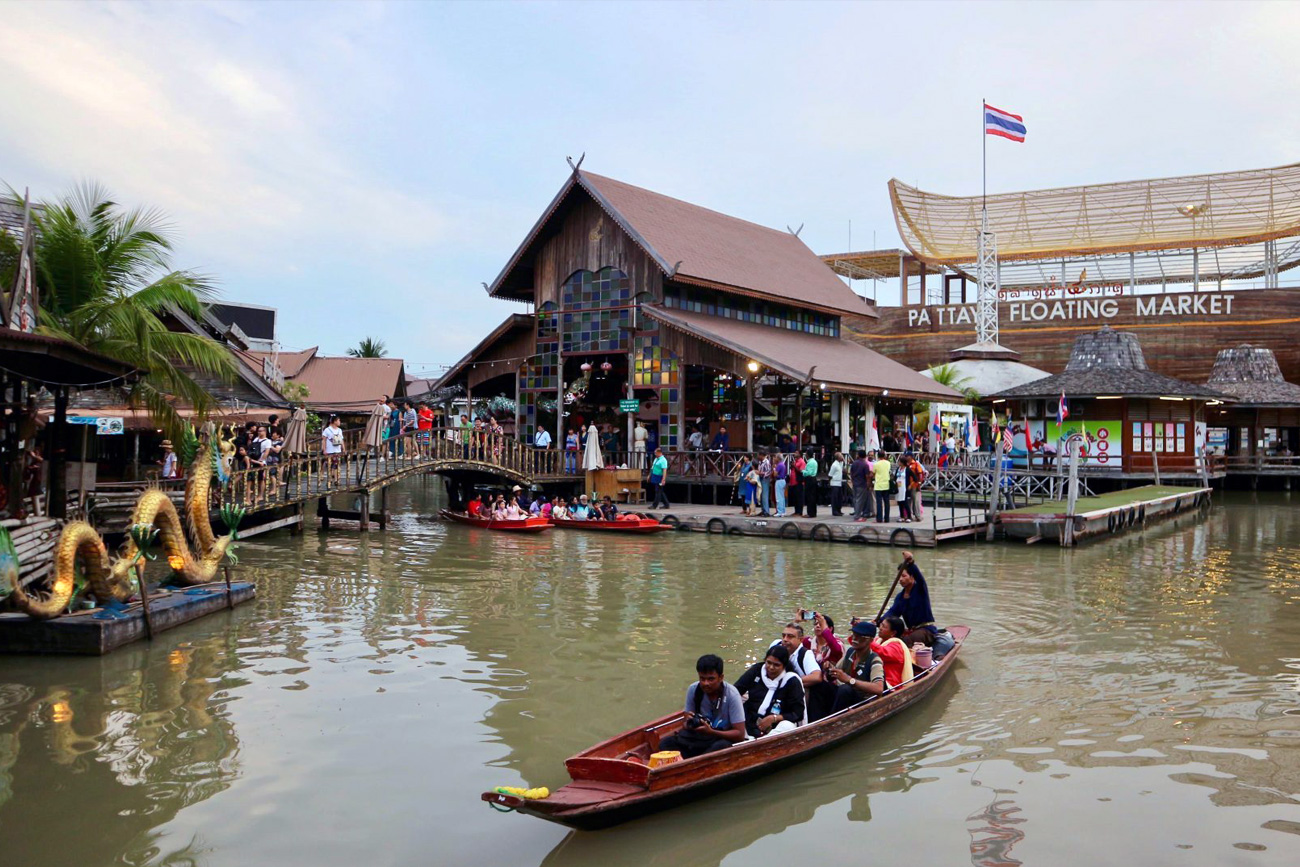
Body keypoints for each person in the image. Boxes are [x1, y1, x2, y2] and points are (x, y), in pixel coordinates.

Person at [657, 655, 746, 759]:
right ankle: (691, 762)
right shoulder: (693, 690)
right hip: (700, 738)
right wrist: (689, 723)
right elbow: (686, 724)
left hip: (719, 737)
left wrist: (712, 732)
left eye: (711, 679)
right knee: (666, 742)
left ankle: (689, 762)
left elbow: (740, 735)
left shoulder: (732, 694)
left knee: (721, 746)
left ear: (721, 677)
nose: (705, 683)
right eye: (702, 679)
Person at [733, 645, 805, 738]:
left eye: (776, 665)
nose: (771, 667)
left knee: (788, 726)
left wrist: (774, 718)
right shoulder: (756, 671)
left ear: (784, 665)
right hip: (749, 720)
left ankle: (760, 742)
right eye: (768, 663)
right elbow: (736, 691)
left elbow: (798, 713)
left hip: (774, 727)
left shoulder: (791, 681)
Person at [825, 621, 886, 714]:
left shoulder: (874, 660)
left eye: (860, 637)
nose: (854, 639)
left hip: (863, 701)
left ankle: (833, 719)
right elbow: (836, 672)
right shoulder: (850, 652)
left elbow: (879, 689)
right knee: (820, 685)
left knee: (845, 689)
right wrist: (829, 670)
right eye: (854, 635)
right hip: (848, 696)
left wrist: (849, 680)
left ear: (870, 640)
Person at [882, 551, 940, 648]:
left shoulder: (920, 589)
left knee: (902, 643)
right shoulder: (900, 597)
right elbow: (892, 613)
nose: (900, 579)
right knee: (890, 638)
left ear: (912, 577)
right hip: (912, 630)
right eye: (899, 576)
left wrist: (911, 562)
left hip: (926, 630)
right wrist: (879, 621)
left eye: (904, 576)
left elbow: (920, 578)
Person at [873, 616, 914, 688]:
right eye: (881, 624)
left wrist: (867, 638)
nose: (880, 628)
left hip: (890, 685)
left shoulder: (896, 646)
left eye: (884, 627)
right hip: (876, 679)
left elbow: (881, 652)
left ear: (893, 633)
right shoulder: (878, 640)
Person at [850, 450, 874, 521]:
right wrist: (868, 484)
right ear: (865, 456)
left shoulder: (854, 463)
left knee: (855, 499)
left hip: (855, 483)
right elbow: (867, 476)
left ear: (858, 455)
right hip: (862, 484)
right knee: (860, 500)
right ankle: (857, 516)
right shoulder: (865, 464)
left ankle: (856, 513)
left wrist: (853, 481)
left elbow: (851, 473)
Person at [322, 415, 345, 483]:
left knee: (336, 465)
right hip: (330, 450)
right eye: (338, 420)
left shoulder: (339, 430)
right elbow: (324, 440)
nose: (339, 422)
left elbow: (341, 440)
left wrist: (343, 448)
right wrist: (324, 449)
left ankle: (336, 479)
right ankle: (330, 479)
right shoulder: (327, 430)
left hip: (337, 450)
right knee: (330, 465)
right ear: (334, 421)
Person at [873, 451, 892, 523]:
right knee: (887, 502)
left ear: (878, 456)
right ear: (884, 456)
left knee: (879, 503)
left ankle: (879, 518)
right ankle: (887, 518)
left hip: (878, 485)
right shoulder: (888, 463)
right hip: (886, 484)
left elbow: (873, 473)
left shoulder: (876, 464)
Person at [802, 450, 819, 518]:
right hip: (814, 479)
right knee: (813, 496)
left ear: (808, 455)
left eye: (806, 454)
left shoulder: (810, 463)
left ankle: (810, 513)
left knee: (809, 497)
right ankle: (813, 512)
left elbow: (808, 472)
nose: (805, 455)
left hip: (810, 479)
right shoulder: (814, 462)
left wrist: (802, 471)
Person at [895, 456, 912, 522]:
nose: (898, 462)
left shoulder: (907, 469)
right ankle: (901, 516)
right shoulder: (898, 469)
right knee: (900, 502)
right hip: (898, 487)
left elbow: (914, 477)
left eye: (899, 461)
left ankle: (909, 516)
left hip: (904, 488)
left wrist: (910, 485)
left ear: (902, 462)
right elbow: (895, 477)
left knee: (905, 502)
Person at [756, 451, 773, 517]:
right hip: (760, 479)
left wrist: (760, 473)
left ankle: (766, 511)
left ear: (761, 455)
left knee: (764, 495)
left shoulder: (767, 462)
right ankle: (763, 510)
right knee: (760, 494)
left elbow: (768, 472)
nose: (758, 457)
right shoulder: (760, 462)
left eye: (758, 455)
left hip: (765, 479)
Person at [789, 451, 805, 516]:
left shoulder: (802, 461)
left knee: (799, 497)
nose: (795, 454)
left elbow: (801, 471)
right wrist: (792, 466)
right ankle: (796, 511)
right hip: (793, 481)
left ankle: (799, 512)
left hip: (798, 481)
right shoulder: (795, 461)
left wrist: (794, 466)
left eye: (796, 453)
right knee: (795, 497)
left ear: (800, 454)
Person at [829, 451, 845, 516]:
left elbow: (842, 465)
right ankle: (835, 511)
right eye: (841, 456)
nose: (842, 457)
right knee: (835, 498)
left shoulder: (840, 463)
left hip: (839, 482)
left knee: (839, 497)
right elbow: (830, 475)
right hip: (835, 483)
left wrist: (843, 460)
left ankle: (839, 509)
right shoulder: (834, 465)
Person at [773, 452, 788, 517]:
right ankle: (783, 511)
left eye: (775, 457)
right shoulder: (783, 464)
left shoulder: (779, 465)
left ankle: (779, 511)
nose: (774, 458)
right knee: (782, 497)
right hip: (783, 480)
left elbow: (775, 474)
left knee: (778, 497)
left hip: (779, 481)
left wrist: (774, 468)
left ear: (778, 458)